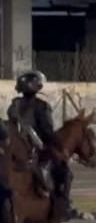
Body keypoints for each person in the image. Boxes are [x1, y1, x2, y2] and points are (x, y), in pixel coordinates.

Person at [6, 71, 72, 213]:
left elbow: (11, 125)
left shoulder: (14, 105)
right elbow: (48, 131)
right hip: (37, 147)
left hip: (14, 147)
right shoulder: (41, 106)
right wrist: (60, 147)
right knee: (64, 171)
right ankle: (62, 205)